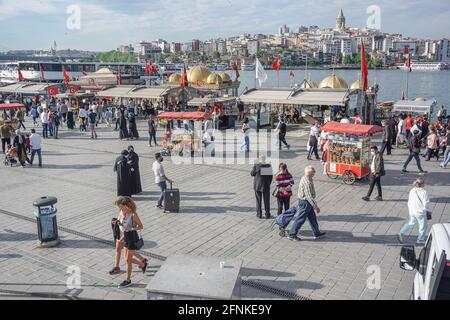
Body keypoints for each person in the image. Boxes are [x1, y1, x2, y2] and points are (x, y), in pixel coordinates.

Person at [112, 196, 146, 288]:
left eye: (121, 206)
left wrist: (131, 228)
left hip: (131, 238)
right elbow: (123, 226)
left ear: (126, 206)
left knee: (128, 260)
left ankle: (128, 280)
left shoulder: (133, 214)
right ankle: (142, 263)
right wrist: (117, 223)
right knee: (127, 259)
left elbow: (141, 226)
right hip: (126, 237)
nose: (120, 208)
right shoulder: (123, 212)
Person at [288, 166, 326, 241]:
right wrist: (316, 207)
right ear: (309, 173)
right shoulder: (307, 182)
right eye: (313, 172)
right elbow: (308, 196)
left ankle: (317, 233)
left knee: (312, 218)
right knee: (300, 219)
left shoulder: (307, 177)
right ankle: (292, 234)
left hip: (307, 202)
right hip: (306, 202)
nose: (314, 173)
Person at [398, 178, 431, 245]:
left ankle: (401, 233)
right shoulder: (424, 192)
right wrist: (428, 211)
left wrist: (410, 210)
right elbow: (426, 203)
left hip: (413, 211)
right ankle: (420, 239)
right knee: (423, 226)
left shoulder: (412, 190)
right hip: (420, 212)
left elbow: (410, 201)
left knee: (411, 223)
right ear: (422, 184)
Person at [251, 155, 273, 219]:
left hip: (257, 185)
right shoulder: (268, 166)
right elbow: (270, 177)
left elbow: (252, 173)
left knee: (258, 200)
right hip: (266, 185)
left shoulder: (257, 165)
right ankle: (267, 214)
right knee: (266, 200)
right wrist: (268, 183)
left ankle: (259, 214)